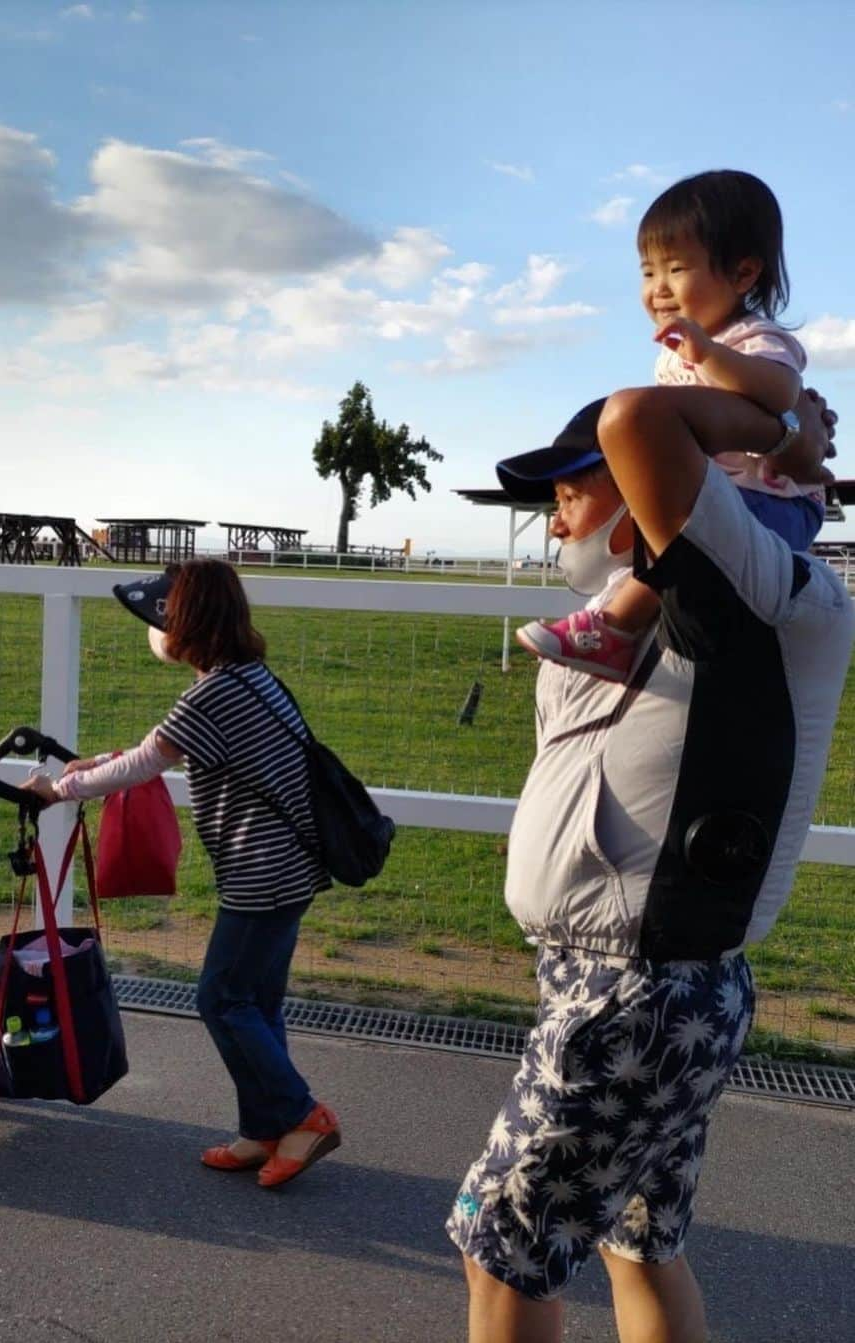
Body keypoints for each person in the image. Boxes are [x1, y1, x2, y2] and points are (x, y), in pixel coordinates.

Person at [447, 385, 852, 1343]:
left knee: (502, 1246)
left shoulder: (760, 599)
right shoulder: (606, 627)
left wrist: (782, 432)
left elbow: (638, 419)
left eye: (570, 492)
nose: (553, 523)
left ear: (649, 487)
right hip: (619, 986)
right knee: (640, 1235)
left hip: (635, 993)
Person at [22, 558, 341, 1189]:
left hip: (261, 873)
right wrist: (101, 764)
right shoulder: (249, 678)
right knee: (258, 1002)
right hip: (289, 868)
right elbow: (159, 754)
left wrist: (59, 789)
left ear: (188, 623)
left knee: (220, 998)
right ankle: (263, 1130)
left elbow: (145, 763)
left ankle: (305, 1116)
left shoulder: (213, 693)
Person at [518, 170, 828, 682]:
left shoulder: (755, 339)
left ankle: (613, 628)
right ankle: (613, 623)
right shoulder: (674, 358)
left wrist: (709, 355)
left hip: (778, 503)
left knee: (680, 541)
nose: (657, 289)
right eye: (647, 273)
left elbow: (779, 394)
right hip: (728, 497)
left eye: (676, 268)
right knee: (659, 535)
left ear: (744, 273)